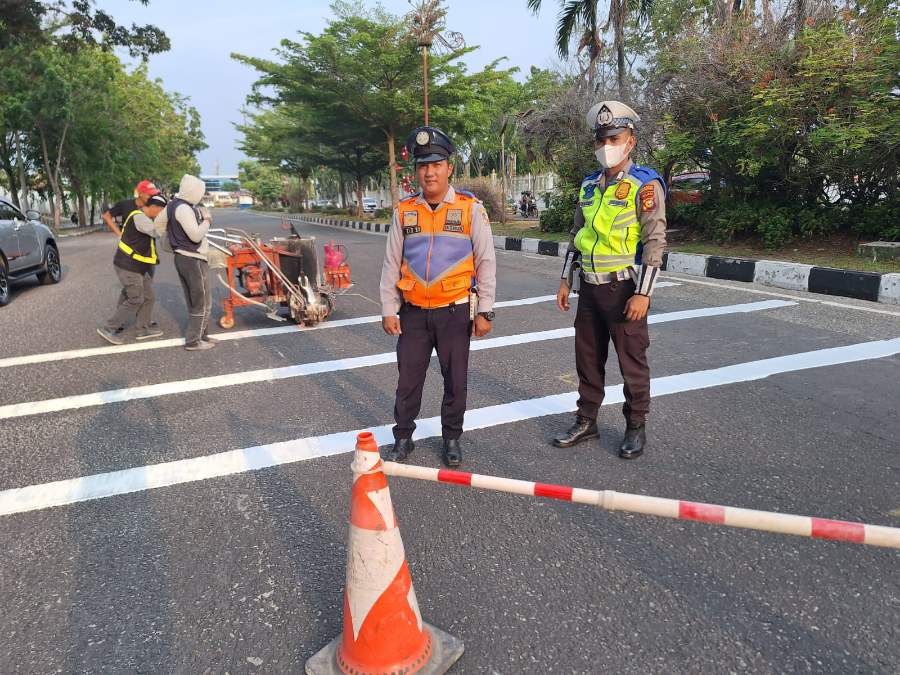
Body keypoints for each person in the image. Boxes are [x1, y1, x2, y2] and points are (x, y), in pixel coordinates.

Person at [552, 101, 667, 459]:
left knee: (632, 362)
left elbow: (654, 241)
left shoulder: (643, 185)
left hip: (623, 290)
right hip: (589, 286)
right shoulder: (589, 186)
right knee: (587, 359)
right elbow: (578, 234)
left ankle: (636, 425)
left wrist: (643, 294)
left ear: (630, 140)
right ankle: (587, 420)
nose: (607, 147)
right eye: (601, 140)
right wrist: (565, 279)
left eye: (614, 138)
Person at [380, 126, 497, 467]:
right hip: (413, 312)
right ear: (416, 170)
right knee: (408, 379)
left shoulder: (470, 209)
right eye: (422, 165)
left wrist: (485, 311)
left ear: (449, 168)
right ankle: (403, 437)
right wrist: (389, 309)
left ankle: (452, 438)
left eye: (436, 163)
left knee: (455, 380)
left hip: (454, 311)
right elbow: (391, 263)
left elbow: (486, 261)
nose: (429, 171)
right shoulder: (404, 212)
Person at [97, 193, 168, 345]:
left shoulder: (146, 217)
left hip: (139, 265)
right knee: (136, 298)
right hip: (127, 265)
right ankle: (109, 328)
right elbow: (156, 232)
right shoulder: (140, 217)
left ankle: (142, 328)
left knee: (148, 296)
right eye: (161, 211)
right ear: (154, 207)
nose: (161, 215)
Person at [164, 174, 216, 351]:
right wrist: (207, 220)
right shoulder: (184, 208)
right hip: (191, 258)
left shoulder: (173, 206)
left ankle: (202, 335)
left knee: (201, 299)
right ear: (193, 192)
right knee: (200, 300)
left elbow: (159, 225)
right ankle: (193, 341)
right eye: (199, 192)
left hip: (184, 257)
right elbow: (195, 235)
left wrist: (173, 241)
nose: (201, 196)